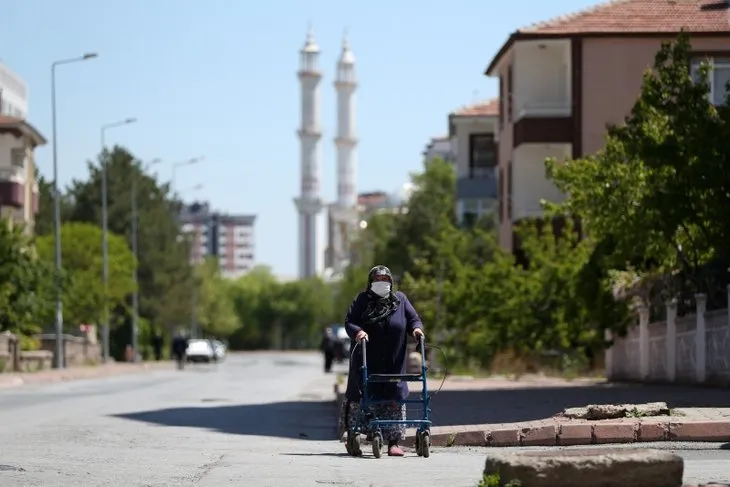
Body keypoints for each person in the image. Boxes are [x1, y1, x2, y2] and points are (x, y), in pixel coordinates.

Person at [342, 265, 425, 457]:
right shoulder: (362, 300)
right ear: (370, 282)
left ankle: (393, 443)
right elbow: (350, 321)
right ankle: (360, 435)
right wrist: (358, 332)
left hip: (393, 363)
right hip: (366, 360)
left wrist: (416, 330)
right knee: (365, 395)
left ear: (391, 283)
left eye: (385, 280)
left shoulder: (400, 300)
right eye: (378, 279)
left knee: (393, 397)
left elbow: (414, 319)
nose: (382, 283)